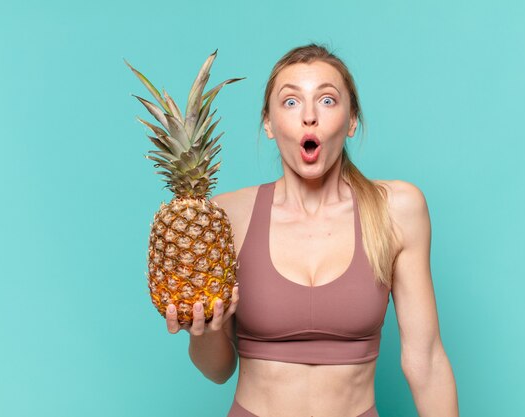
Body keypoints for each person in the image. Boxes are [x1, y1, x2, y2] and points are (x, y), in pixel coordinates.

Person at [165, 43, 459, 417]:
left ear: (352, 121)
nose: (309, 117)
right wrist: (201, 330)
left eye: (327, 100)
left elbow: (427, 362)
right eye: (290, 102)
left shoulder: (396, 210)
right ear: (268, 124)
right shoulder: (226, 215)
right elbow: (217, 370)